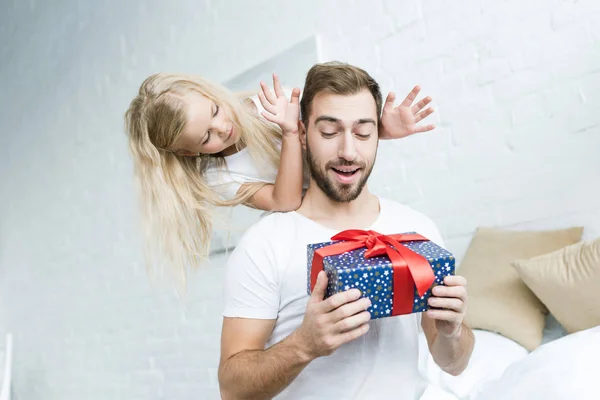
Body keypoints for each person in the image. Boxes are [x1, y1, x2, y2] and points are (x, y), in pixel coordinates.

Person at [218, 61, 474, 399]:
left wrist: (452, 332)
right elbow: (232, 390)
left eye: (363, 132)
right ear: (303, 134)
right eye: (328, 132)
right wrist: (303, 345)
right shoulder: (265, 244)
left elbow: (453, 364)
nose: (348, 152)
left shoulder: (417, 229)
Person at [124, 71, 436, 283]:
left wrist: (382, 131)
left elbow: (333, 143)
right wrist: (289, 133)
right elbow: (284, 201)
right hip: (301, 227)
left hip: (336, 207)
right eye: (206, 137)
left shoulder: (268, 104)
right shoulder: (219, 177)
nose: (222, 127)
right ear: (190, 153)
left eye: (216, 111)